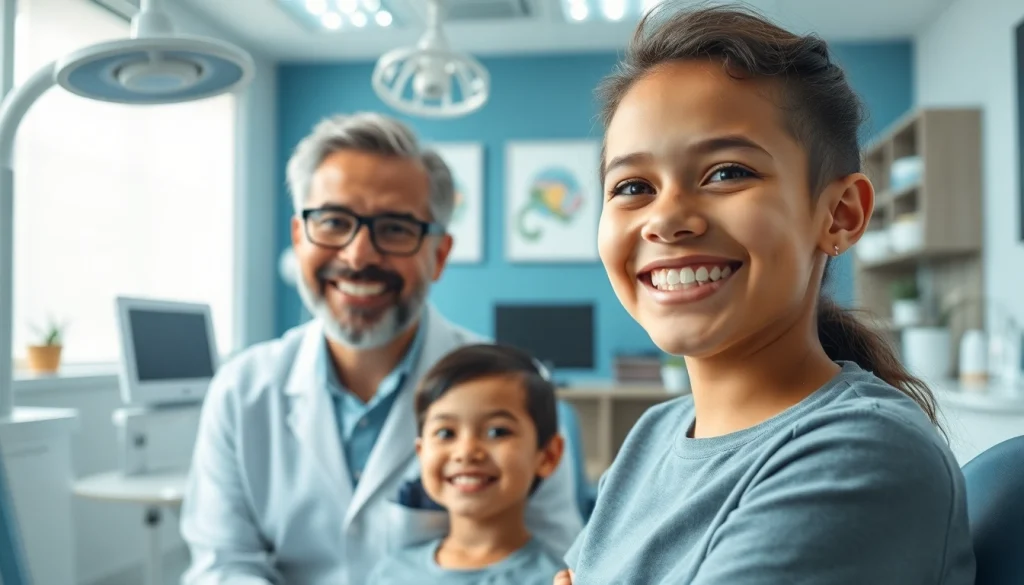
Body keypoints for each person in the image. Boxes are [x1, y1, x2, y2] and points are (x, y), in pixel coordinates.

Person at [556, 4, 975, 584]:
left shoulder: (857, 453)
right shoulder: (654, 433)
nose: (666, 220)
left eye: (727, 172)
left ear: (840, 214)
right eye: (632, 186)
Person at [178, 112, 582, 585]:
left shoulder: (514, 388)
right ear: (299, 237)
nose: (358, 255)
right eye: (333, 222)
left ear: (439, 255)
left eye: (394, 228)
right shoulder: (241, 391)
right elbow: (224, 564)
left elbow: (559, 561)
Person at [367, 343, 569, 585]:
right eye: (446, 433)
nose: (466, 452)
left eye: (497, 431)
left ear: (547, 456)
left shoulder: (560, 579)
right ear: (421, 453)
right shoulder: (391, 574)